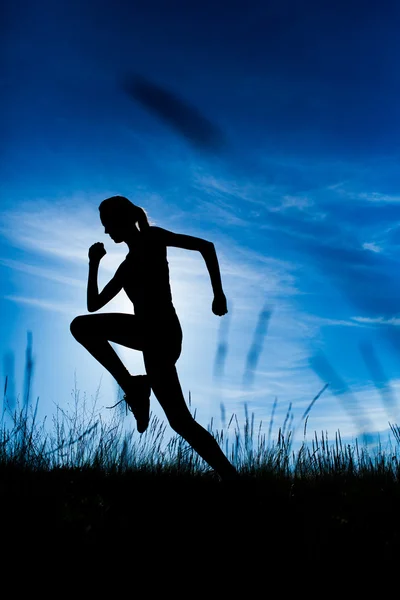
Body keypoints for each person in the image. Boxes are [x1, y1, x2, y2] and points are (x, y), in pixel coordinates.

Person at [70, 195, 238, 480]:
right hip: (152, 340)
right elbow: (94, 304)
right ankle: (233, 477)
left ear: (121, 220)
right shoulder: (125, 267)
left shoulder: (152, 238)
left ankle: (134, 387)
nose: (106, 232)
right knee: (180, 421)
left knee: (80, 326)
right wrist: (93, 263)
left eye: (108, 224)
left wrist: (218, 293)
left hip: (161, 332)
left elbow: (205, 247)